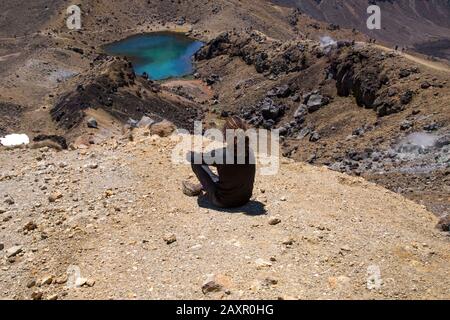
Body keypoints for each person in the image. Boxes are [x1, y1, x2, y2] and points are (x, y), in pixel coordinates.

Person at [183, 116, 256, 208]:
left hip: (223, 201)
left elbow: (191, 158)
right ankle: (210, 184)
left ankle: (203, 187)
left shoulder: (221, 153)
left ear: (225, 135)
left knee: (196, 162)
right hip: (245, 199)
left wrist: (192, 153)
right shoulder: (250, 151)